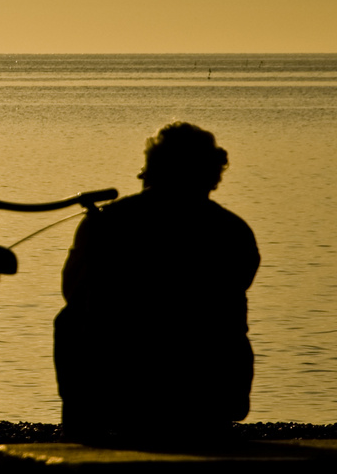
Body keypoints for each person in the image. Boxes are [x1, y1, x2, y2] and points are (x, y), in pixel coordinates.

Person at [54, 122, 259, 444]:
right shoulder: (234, 230)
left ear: (150, 171)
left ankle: (83, 435)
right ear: (212, 175)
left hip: (117, 387)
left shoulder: (106, 223)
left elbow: (72, 290)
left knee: (70, 319)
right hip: (212, 390)